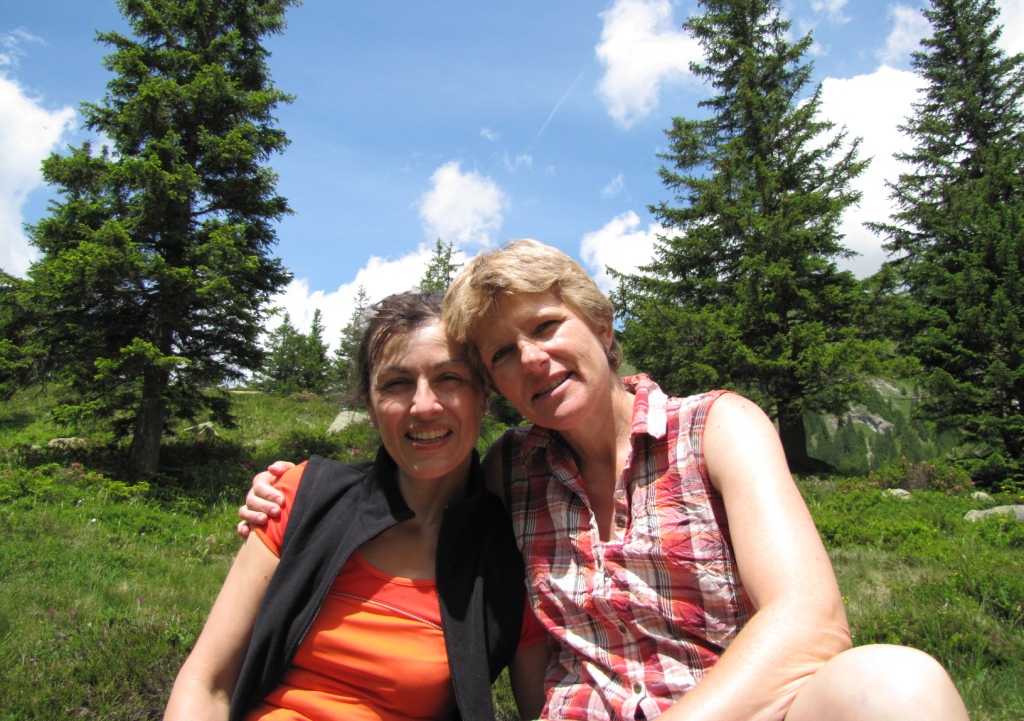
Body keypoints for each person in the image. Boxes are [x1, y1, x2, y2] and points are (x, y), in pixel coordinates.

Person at [241, 241, 970, 721]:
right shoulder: (509, 471)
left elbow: (810, 618)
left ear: (601, 326)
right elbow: (416, 495)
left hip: (742, 709)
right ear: (496, 385)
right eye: (502, 354)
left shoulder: (716, 428)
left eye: (546, 326)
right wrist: (291, 492)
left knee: (897, 685)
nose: (531, 359)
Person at [167, 291, 547, 721]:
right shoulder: (304, 497)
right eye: (396, 383)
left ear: (484, 396)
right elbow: (206, 682)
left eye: (449, 378)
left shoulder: (510, 564)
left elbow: (550, 709)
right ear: (370, 404)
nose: (424, 406)